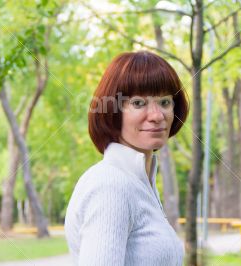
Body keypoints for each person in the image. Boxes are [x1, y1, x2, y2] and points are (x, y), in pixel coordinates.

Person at [64, 51, 189, 265]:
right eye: (139, 103)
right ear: (113, 111)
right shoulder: (111, 185)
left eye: (165, 102)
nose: (157, 115)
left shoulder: (139, 182)